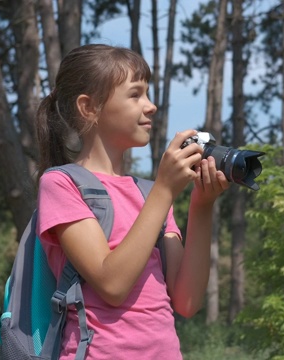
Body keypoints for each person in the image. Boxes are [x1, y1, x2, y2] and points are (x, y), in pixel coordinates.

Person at [33, 43, 229, 359]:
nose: (151, 106)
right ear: (89, 107)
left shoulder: (150, 194)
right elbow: (112, 284)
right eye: (135, 95)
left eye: (148, 94)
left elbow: (187, 302)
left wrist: (201, 206)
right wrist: (165, 190)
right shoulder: (61, 183)